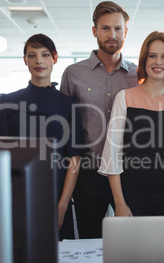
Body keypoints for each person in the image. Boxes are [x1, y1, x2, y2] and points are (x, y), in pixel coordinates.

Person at [98, 31, 164, 217]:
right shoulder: (125, 98)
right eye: (152, 56)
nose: (158, 62)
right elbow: (113, 155)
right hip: (135, 198)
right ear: (144, 60)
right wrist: (120, 204)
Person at [60, 1, 138, 238]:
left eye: (117, 28)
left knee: (130, 242)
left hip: (128, 173)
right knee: (89, 241)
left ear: (126, 31)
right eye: (105, 28)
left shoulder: (138, 75)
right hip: (87, 174)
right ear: (94, 31)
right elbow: (66, 130)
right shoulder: (73, 74)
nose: (112, 34)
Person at [0, 34, 86, 240]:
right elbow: (1, 154)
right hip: (15, 195)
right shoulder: (7, 102)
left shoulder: (67, 104)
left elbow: (74, 158)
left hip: (55, 194)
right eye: (32, 55)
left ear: (54, 58)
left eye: (45, 55)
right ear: (25, 60)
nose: (39, 61)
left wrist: (62, 206)